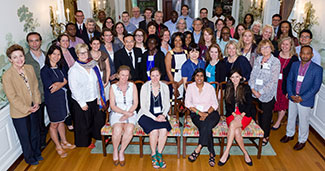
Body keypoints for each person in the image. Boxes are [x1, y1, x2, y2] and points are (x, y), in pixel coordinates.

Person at [3, 44, 42, 165]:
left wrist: (36, 102)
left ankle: (36, 153)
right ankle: (29, 158)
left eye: (21, 56)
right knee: (25, 137)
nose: (19, 59)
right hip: (20, 112)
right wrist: (27, 109)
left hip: (34, 107)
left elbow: (35, 87)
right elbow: (12, 97)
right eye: (15, 57)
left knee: (35, 133)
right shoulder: (7, 75)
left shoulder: (29, 68)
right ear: (10, 59)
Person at [280, 45, 323, 150]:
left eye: (308, 53)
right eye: (303, 53)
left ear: (312, 55)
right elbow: (289, 79)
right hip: (293, 96)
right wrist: (290, 94)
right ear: (300, 54)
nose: (305, 55)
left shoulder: (317, 69)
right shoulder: (295, 65)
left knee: (303, 121)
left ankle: (302, 140)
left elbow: (315, 87)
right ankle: (289, 134)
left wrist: (302, 98)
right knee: (291, 117)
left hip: (305, 100)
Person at [40, 45, 76, 158]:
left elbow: (66, 80)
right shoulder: (45, 70)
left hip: (63, 99)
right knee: (54, 123)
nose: (56, 56)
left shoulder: (61, 67)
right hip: (53, 101)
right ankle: (57, 146)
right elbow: (51, 88)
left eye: (58, 54)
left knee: (62, 121)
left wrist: (61, 83)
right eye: (54, 54)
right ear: (49, 55)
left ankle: (64, 142)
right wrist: (63, 83)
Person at [68, 43, 106, 147]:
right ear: (77, 54)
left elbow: (98, 83)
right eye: (81, 53)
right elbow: (74, 89)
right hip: (81, 100)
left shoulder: (94, 64)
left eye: (86, 52)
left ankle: (98, 137)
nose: (84, 55)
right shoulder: (74, 70)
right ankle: (85, 143)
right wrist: (82, 103)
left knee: (97, 120)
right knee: (83, 124)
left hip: (94, 97)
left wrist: (99, 97)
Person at [218, 69, 254, 166]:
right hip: (231, 114)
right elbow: (228, 105)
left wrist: (241, 115)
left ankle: (226, 152)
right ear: (230, 78)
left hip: (245, 115)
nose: (235, 79)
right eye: (232, 77)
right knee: (236, 131)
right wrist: (234, 114)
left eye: (237, 76)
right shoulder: (228, 88)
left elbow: (249, 104)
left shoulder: (246, 87)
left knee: (233, 125)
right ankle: (246, 154)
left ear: (241, 77)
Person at [185, 68, 220, 167]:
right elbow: (187, 103)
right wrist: (200, 113)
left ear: (204, 77)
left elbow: (215, 104)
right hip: (196, 114)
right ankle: (212, 153)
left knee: (206, 124)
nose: (199, 78)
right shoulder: (190, 87)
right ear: (194, 77)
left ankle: (199, 147)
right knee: (207, 127)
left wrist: (207, 114)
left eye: (201, 76)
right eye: (197, 76)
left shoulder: (209, 87)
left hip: (211, 113)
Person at [138, 67, 171, 169]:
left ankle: (159, 154)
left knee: (163, 130)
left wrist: (164, 115)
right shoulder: (145, 87)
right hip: (146, 114)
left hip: (161, 114)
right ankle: (153, 154)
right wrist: (154, 118)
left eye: (157, 75)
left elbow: (167, 104)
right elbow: (143, 107)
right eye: (153, 75)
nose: (155, 78)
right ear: (150, 76)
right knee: (154, 131)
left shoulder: (165, 87)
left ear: (160, 76)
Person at [249, 39, 280, 146]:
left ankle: (265, 136)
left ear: (271, 48)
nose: (265, 49)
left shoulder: (275, 61)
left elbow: (273, 80)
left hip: (267, 94)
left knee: (265, 117)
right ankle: (254, 132)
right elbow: (253, 75)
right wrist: (252, 88)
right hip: (254, 91)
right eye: (262, 47)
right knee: (253, 113)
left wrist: (261, 92)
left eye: (267, 47)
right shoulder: (258, 59)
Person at [109, 65, 138, 166]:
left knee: (129, 129)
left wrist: (128, 114)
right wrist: (125, 113)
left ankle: (122, 151)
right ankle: (115, 150)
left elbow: (135, 103)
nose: (124, 78)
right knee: (117, 129)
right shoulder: (112, 87)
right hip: (117, 112)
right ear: (117, 75)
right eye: (122, 75)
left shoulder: (133, 86)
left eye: (126, 75)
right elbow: (112, 105)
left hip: (131, 111)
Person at [25, 32, 47, 150]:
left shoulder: (46, 55)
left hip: (49, 92)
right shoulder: (25, 59)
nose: (34, 43)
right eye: (31, 41)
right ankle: (41, 143)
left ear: (40, 41)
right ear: (28, 43)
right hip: (36, 96)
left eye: (36, 40)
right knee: (39, 122)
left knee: (55, 118)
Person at [272, 37, 299, 130]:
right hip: (274, 82)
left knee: (282, 103)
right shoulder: (275, 54)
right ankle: (269, 119)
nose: (284, 46)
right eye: (283, 44)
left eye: (287, 44)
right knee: (272, 101)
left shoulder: (294, 59)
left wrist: (290, 90)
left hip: (285, 85)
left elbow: (295, 76)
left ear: (291, 46)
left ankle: (278, 122)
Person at [165, 32, 187, 100]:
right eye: (175, 40)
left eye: (180, 40)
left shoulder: (186, 52)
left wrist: (180, 82)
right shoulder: (169, 53)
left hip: (183, 78)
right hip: (173, 78)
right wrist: (174, 84)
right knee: (173, 99)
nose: (178, 42)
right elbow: (168, 70)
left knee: (183, 99)